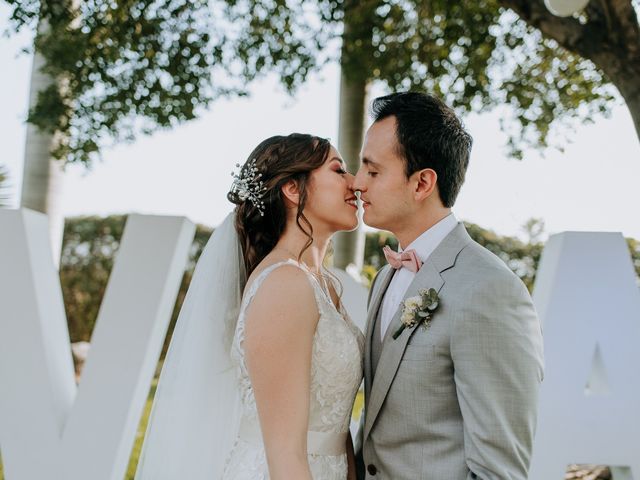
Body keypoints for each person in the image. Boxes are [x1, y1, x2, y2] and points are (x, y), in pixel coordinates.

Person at [135, 133, 364, 480]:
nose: (356, 183)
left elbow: (337, 424)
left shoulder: (324, 284)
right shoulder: (285, 285)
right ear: (293, 189)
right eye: (339, 170)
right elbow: (285, 453)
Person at [353, 92, 544, 480]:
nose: (357, 184)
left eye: (373, 172)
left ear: (422, 182)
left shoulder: (489, 289)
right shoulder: (386, 276)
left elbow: (498, 471)